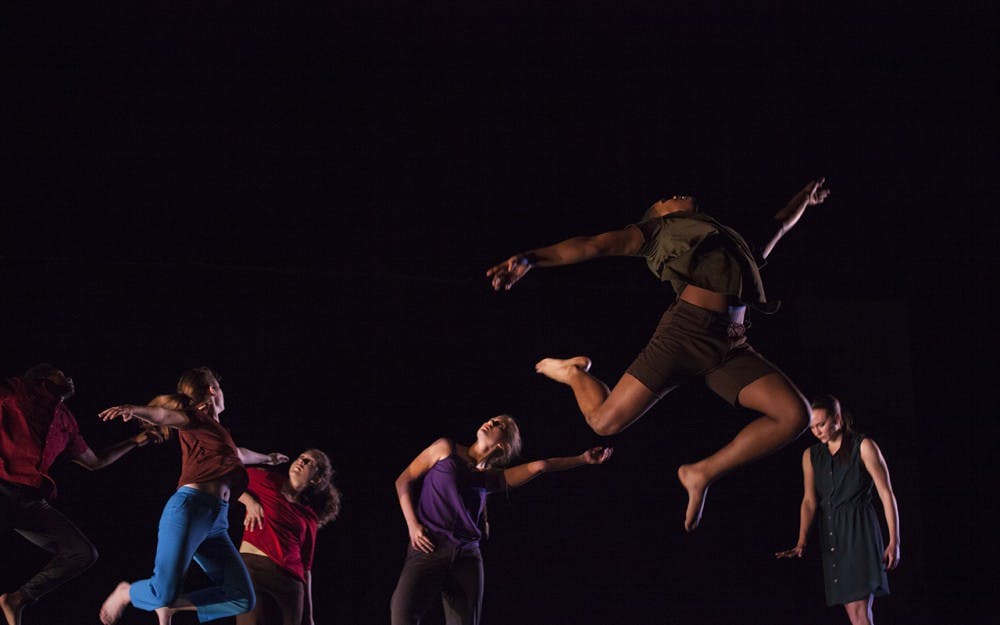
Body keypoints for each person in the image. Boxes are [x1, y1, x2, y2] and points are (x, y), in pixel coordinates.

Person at [486, 179, 831, 531]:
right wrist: (531, 258)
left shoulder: (728, 240)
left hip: (730, 345)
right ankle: (575, 372)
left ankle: (701, 473)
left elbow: (778, 225)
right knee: (604, 423)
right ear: (658, 213)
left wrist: (804, 197)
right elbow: (592, 246)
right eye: (666, 198)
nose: (676, 195)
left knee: (795, 415)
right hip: (685, 334)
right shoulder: (655, 232)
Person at [97, 367, 289, 625]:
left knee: (242, 597)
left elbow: (240, 454)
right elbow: (164, 415)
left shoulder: (219, 434)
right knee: (162, 590)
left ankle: (172, 606)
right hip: (190, 509)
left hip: (216, 523)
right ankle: (127, 592)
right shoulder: (195, 418)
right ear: (212, 390)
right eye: (219, 387)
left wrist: (268, 458)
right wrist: (135, 409)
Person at [390, 414, 613, 625]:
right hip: (430, 547)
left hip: (467, 557)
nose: (492, 422)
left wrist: (583, 459)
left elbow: (541, 466)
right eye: (493, 419)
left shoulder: (493, 478)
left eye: (500, 426)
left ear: (503, 446)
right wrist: (413, 525)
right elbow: (403, 481)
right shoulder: (445, 449)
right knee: (402, 615)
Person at [0, 363, 164, 625]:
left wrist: (137, 440)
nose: (69, 377)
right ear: (41, 379)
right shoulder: (14, 390)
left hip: (29, 500)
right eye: (60, 374)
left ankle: (18, 599)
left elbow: (94, 461)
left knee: (82, 553)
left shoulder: (65, 421)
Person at [776, 395, 900, 625]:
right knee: (855, 615)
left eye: (821, 424)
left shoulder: (863, 446)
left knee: (860, 613)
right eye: (812, 427)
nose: (817, 431)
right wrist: (801, 540)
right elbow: (809, 501)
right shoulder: (811, 456)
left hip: (859, 532)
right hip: (833, 536)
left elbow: (886, 493)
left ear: (838, 419)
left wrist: (894, 541)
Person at [236, 449, 341, 625]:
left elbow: (306, 568)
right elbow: (223, 477)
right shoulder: (266, 479)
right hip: (254, 570)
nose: (301, 461)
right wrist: (249, 501)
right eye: (301, 457)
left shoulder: (308, 517)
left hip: (291, 585)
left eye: (309, 462)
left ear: (316, 479)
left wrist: (309, 617)